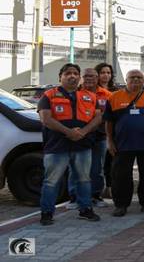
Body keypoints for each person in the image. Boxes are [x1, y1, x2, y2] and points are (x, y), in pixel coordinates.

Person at [38, 64, 102, 226]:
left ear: (79, 77)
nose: (72, 76)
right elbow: (46, 119)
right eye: (68, 73)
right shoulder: (49, 95)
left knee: (84, 179)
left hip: (82, 145)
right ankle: (47, 213)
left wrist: (83, 132)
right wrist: (69, 132)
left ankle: (85, 209)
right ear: (60, 77)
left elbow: (98, 118)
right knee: (51, 181)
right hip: (57, 146)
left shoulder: (89, 96)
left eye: (75, 73)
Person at [105, 70, 144, 217]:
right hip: (122, 144)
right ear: (126, 79)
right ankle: (121, 205)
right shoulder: (114, 97)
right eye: (132, 77)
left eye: (139, 77)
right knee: (120, 176)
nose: (135, 80)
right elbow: (109, 121)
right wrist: (109, 140)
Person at [65, 68, 112, 210]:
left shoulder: (107, 95)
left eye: (92, 76)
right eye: (86, 76)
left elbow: (110, 117)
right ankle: (74, 197)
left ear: (98, 78)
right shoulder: (73, 93)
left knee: (97, 168)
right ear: (81, 78)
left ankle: (95, 196)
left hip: (99, 136)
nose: (89, 79)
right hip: (79, 136)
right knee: (75, 167)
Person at [95, 62, 118, 200]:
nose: (106, 75)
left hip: (112, 131)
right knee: (98, 164)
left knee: (110, 162)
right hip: (97, 131)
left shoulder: (115, 90)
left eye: (108, 73)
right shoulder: (92, 90)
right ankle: (97, 191)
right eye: (103, 72)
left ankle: (109, 188)